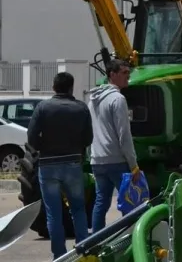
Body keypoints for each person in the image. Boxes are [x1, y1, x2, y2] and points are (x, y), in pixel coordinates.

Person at [27, 72, 93, 259]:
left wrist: (42, 149)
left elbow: (31, 137)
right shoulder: (81, 108)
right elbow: (88, 138)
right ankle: (83, 251)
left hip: (48, 165)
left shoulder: (42, 107)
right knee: (78, 209)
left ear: (54, 87)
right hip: (73, 164)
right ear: (71, 87)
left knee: (53, 213)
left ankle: (59, 255)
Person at [88, 58, 140, 232]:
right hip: (116, 160)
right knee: (129, 203)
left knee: (101, 202)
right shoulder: (118, 99)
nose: (128, 76)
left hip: (97, 160)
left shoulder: (93, 99)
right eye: (124, 73)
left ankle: (96, 241)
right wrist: (133, 164)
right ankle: (130, 238)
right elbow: (124, 135)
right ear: (112, 74)